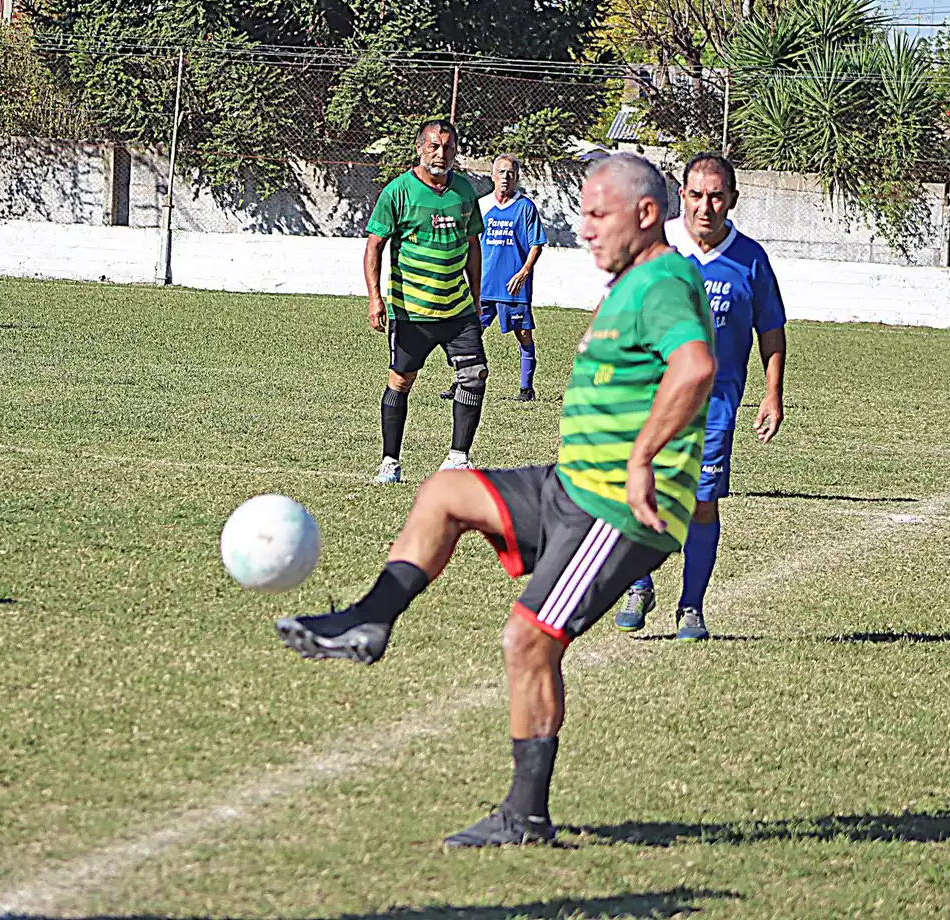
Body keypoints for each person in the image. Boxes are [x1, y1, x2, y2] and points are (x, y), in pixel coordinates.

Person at [276, 154, 717, 847]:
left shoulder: (663, 279)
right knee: (448, 491)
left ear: (646, 214)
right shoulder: (634, 283)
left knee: (528, 641)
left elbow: (695, 367)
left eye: (599, 214)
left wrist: (640, 461)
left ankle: (525, 817)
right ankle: (369, 620)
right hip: (571, 487)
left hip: (618, 508)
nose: (586, 227)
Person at [615, 152, 787, 641]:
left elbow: (770, 332)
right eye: (696, 195)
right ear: (682, 195)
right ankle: (640, 583)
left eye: (716, 196)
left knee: (701, 503)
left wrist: (772, 394)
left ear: (732, 200)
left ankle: (691, 606)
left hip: (714, 405)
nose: (705, 206)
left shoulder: (751, 259)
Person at [365, 119, 487, 484]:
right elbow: (374, 246)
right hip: (411, 310)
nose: (441, 153)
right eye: (433, 146)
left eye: (448, 147)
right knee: (401, 381)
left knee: (475, 375)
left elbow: (472, 245)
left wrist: (476, 296)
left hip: (457, 308)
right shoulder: (398, 192)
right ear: (419, 148)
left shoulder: (464, 191)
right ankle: (390, 462)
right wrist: (376, 298)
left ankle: (457, 459)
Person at [441, 154, 547, 402]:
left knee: (523, 335)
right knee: (470, 335)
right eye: (501, 172)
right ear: (492, 175)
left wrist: (524, 271)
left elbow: (536, 243)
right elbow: (468, 243)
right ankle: (461, 384)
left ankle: (526, 389)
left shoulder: (525, 207)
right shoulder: (482, 206)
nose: (505, 177)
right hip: (483, 286)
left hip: (513, 287)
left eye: (510, 173)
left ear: (517, 177)